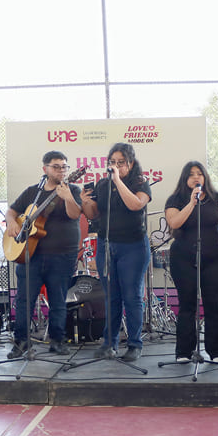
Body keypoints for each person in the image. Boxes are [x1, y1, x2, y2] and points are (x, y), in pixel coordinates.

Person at [5, 150, 82, 358]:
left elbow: (75, 214)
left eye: (64, 167)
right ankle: (22, 341)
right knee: (24, 300)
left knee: (58, 300)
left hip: (62, 255)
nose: (61, 170)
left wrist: (67, 198)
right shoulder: (33, 192)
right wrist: (12, 222)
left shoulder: (72, 189)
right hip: (31, 254)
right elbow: (12, 211)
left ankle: (57, 341)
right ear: (45, 169)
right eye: (56, 166)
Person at [81, 142, 152, 362]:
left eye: (121, 163)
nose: (115, 166)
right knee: (111, 296)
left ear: (130, 164)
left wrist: (118, 181)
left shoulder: (140, 183)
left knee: (132, 297)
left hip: (133, 246)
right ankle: (109, 343)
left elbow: (135, 205)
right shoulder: (102, 185)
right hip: (106, 244)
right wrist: (85, 202)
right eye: (112, 162)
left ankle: (134, 344)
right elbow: (93, 215)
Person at [164, 161, 218, 362]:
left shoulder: (216, 198)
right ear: (184, 179)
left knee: (213, 303)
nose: (196, 177)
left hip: (213, 257)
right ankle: (184, 352)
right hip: (183, 258)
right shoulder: (176, 199)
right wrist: (191, 203)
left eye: (199, 174)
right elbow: (174, 223)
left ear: (205, 177)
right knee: (187, 304)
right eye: (191, 174)